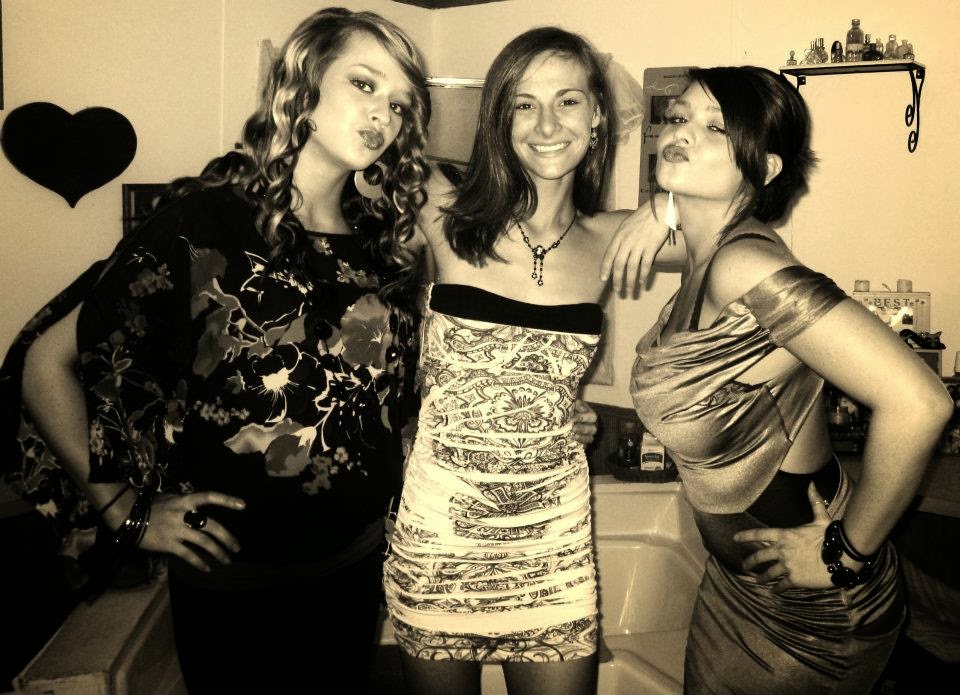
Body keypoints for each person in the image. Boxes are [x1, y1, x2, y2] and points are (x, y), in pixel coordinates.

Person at [1, 7, 432, 692]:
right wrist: (124, 511)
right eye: (364, 83)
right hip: (236, 586)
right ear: (304, 84)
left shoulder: (386, 247)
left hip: (356, 567)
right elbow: (44, 363)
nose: (385, 112)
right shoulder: (203, 224)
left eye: (401, 102)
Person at [618, 65, 954, 693]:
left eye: (716, 128)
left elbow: (921, 401)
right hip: (740, 586)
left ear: (765, 168)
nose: (682, 132)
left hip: (813, 611)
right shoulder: (711, 249)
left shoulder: (745, 265)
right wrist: (661, 206)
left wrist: (845, 554)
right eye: (679, 117)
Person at [381, 26, 667, 695]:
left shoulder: (614, 236)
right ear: (499, 119)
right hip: (440, 537)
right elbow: (342, 158)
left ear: (597, 118)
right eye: (523, 104)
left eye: (568, 101)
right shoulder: (442, 206)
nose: (546, 125)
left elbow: (745, 215)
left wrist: (669, 206)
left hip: (553, 544)